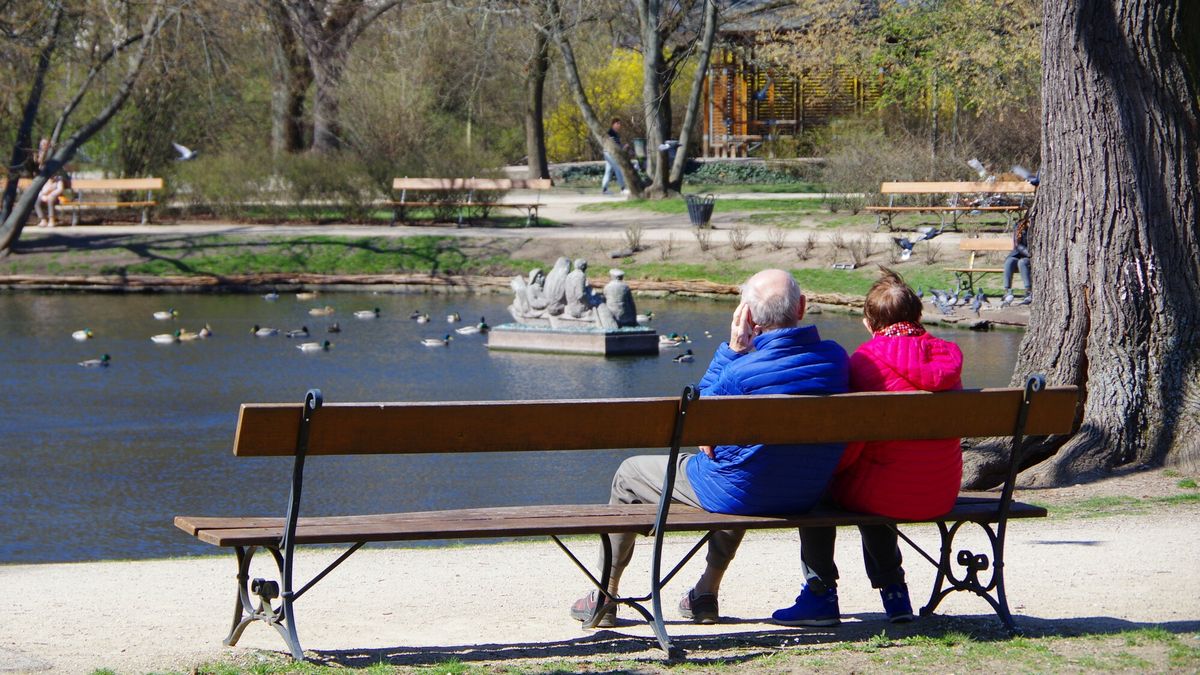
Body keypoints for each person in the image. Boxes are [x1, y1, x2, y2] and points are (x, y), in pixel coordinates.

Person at [570, 269, 850, 627]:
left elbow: (696, 422)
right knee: (745, 463)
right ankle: (705, 591)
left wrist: (732, 350)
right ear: (802, 307)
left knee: (630, 473)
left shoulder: (741, 372)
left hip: (743, 492)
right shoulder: (836, 360)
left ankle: (606, 595)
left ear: (746, 315)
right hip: (805, 493)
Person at [772, 267, 963, 627]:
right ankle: (895, 594)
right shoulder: (947, 358)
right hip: (941, 491)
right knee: (882, 478)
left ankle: (820, 594)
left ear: (869, 323)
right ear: (917, 316)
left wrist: (828, 470)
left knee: (822, 488)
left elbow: (853, 445)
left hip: (889, 493)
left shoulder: (865, 361)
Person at [1003, 216, 1032, 305]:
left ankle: (1028, 291)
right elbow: (1017, 244)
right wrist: (1027, 253)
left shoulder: (1035, 226)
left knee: (1022, 262)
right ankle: (1007, 291)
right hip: (1020, 253)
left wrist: (1030, 254)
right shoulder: (1019, 225)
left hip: (1031, 256)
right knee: (1009, 262)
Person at [600, 118, 629, 196]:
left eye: (620, 123)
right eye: (618, 123)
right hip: (609, 154)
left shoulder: (616, 134)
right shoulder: (610, 133)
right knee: (618, 169)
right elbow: (612, 145)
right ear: (613, 124)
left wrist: (623, 147)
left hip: (610, 154)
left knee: (608, 171)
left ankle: (604, 189)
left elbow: (617, 146)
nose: (619, 125)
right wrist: (622, 147)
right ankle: (623, 189)